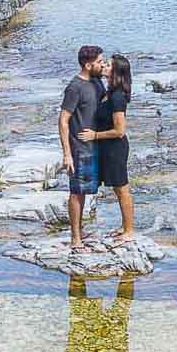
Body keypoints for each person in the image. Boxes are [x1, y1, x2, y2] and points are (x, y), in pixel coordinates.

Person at [80, 53, 134, 243]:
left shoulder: (117, 97)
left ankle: (129, 231)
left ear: (117, 72)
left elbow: (119, 131)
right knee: (117, 188)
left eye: (108, 65)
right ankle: (124, 227)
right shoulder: (108, 92)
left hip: (115, 148)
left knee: (121, 188)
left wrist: (94, 135)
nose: (104, 66)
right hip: (106, 147)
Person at [59, 44, 105, 250]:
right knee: (77, 192)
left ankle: (81, 231)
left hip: (96, 145)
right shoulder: (74, 87)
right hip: (79, 148)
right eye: (99, 62)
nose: (102, 65)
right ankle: (75, 237)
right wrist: (67, 154)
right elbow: (63, 120)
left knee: (87, 190)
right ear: (88, 64)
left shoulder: (97, 82)